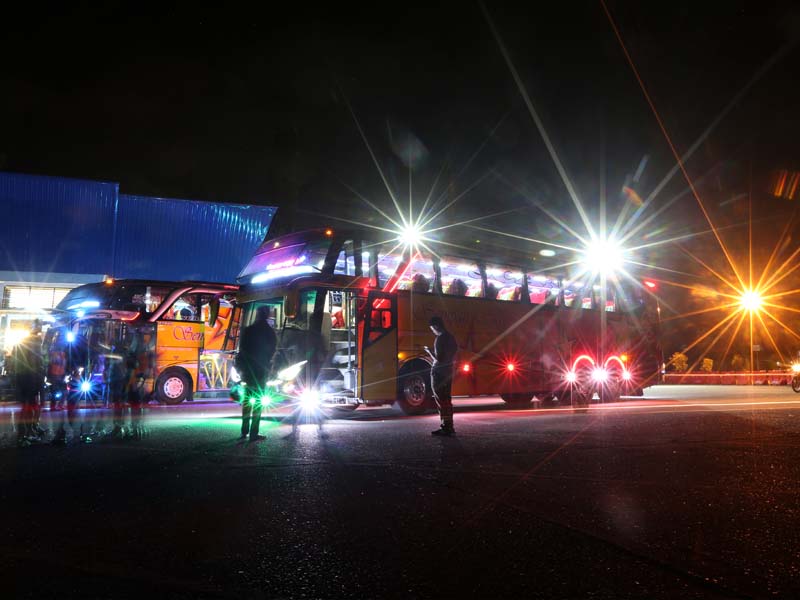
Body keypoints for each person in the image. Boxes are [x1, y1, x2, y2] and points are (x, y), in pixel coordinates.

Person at [235, 306, 277, 442]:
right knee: (258, 402)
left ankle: (244, 430)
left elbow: (242, 350)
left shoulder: (248, 330)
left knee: (247, 401)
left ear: (257, 314)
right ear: (267, 315)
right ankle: (254, 433)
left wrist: (242, 368)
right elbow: (272, 352)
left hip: (248, 370)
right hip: (261, 372)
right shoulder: (270, 332)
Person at [10, 320, 44, 446]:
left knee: (25, 406)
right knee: (30, 405)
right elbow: (35, 359)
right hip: (30, 376)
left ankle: (25, 433)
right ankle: (27, 434)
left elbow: (13, 357)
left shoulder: (21, 341)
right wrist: (37, 377)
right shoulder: (35, 340)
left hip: (20, 377)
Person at [426, 315, 458, 436]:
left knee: (441, 400)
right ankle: (450, 426)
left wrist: (429, 352)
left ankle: (445, 426)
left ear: (436, 326)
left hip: (439, 373)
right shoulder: (451, 338)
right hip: (448, 371)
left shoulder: (439, 339)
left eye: (432, 329)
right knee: (447, 400)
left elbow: (439, 358)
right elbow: (454, 351)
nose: (433, 331)